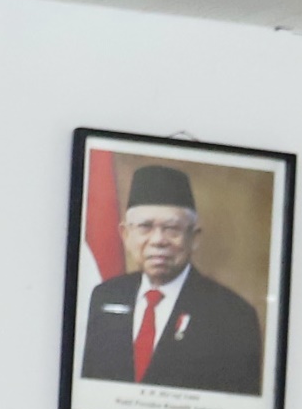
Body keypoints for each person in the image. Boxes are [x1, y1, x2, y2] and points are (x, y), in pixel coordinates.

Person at [77, 163, 266, 394]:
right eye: (145, 227)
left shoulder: (233, 316)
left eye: (172, 229)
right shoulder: (105, 296)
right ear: (125, 235)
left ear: (194, 238)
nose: (158, 240)